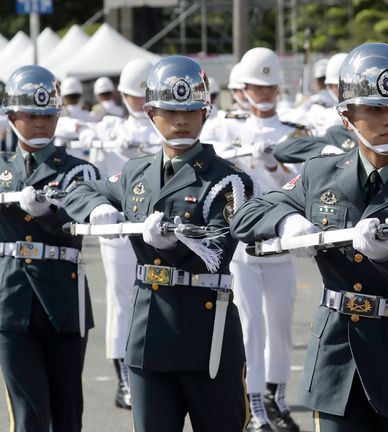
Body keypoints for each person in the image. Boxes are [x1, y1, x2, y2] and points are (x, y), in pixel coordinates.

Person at [230, 42, 388, 432]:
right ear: (347, 116)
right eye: (375, 109)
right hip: (336, 358)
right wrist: (288, 223)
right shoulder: (320, 175)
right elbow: (248, 214)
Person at [62, 55, 252, 432]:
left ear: (205, 113)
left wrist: (170, 242)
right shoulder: (136, 172)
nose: (181, 120)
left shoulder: (229, 179)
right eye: (170, 111)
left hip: (206, 339)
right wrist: (98, 206)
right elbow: (80, 188)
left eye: (191, 110)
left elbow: (217, 250)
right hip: (149, 337)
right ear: (150, 113)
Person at [211, 46, 305, 432]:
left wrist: (272, 163)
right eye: (255, 86)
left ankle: (276, 396)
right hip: (244, 246)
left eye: (268, 86)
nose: (263, 93)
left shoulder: (294, 133)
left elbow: (302, 187)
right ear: (243, 89)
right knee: (250, 326)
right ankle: (253, 405)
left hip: (280, 244)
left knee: (281, 327)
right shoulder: (225, 128)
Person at [0, 64, 98, 432]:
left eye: (47, 115)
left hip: (63, 299)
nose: (40, 123)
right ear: (12, 117)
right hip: (12, 300)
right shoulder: (1, 168)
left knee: (67, 412)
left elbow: (78, 214)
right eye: (30, 115)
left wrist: (46, 212)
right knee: (29, 415)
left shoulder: (78, 170)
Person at [77, 58, 162, 410]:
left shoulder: (163, 129)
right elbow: (84, 138)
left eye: (144, 96)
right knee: (122, 300)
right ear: (122, 96)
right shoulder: (111, 128)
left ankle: (149, 367)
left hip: (157, 225)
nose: (138, 103)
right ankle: (124, 376)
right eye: (132, 96)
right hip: (119, 225)